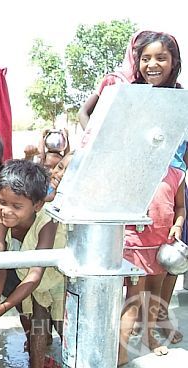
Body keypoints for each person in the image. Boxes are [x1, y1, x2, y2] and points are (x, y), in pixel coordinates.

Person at [118, 30, 186, 365]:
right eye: (145, 58)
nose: (152, 64)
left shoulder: (181, 99)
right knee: (137, 286)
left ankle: (152, 329)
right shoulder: (132, 96)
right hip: (141, 194)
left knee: (165, 268)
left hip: (172, 187)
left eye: (161, 57)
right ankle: (124, 346)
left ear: (175, 62)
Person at [0, 160, 66, 368]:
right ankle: (37, 363)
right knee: (35, 321)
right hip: (27, 279)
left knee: (64, 329)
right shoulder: (2, 215)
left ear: (37, 205)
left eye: (16, 206)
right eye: (2, 201)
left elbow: (36, 273)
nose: (6, 211)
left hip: (56, 280)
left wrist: (1, 308)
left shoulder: (47, 222)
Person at [78, 30, 147, 130]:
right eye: (137, 49)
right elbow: (83, 113)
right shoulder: (113, 80)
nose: (139, 54)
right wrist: (93, 138)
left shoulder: (158, 83)